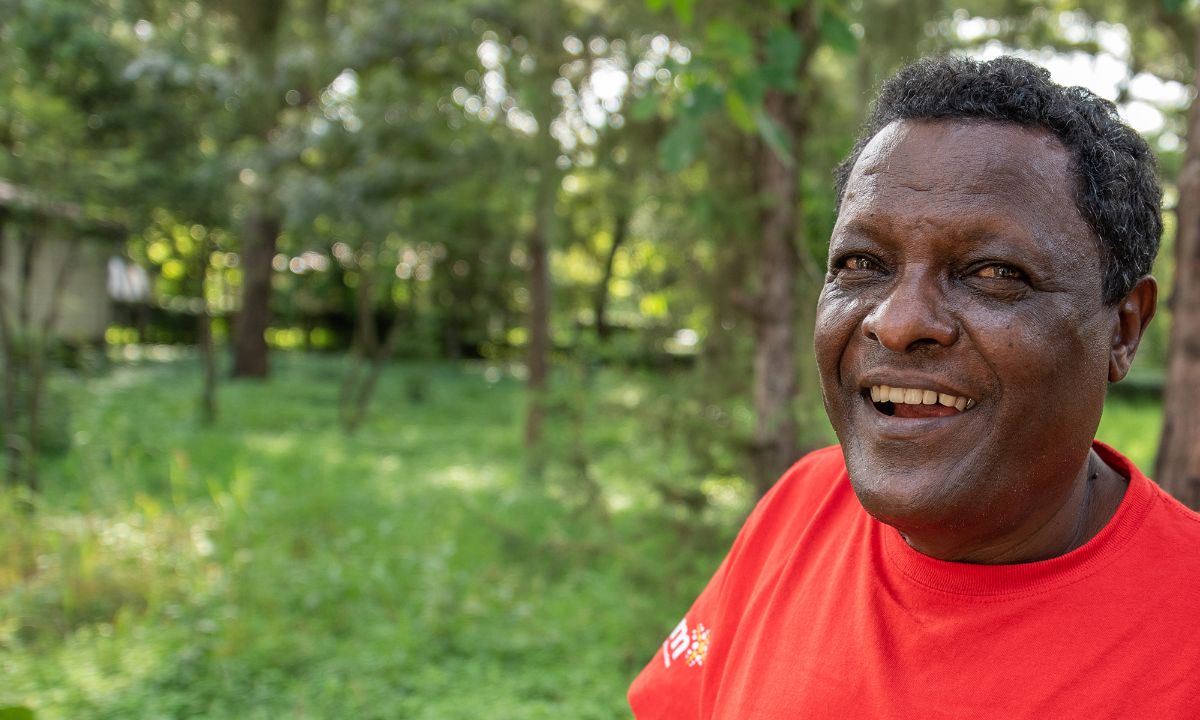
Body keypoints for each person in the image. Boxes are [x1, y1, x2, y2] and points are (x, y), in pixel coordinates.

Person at [628, 55, 1200, 719]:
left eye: (992, 273)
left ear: (1123, 330)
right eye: (862, 264)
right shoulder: (804, 505)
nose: (899, 323)